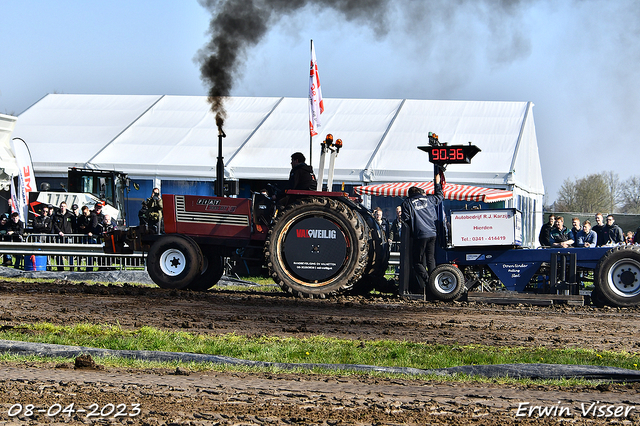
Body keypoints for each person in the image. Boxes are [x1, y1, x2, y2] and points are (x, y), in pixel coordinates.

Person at [401, 172, 444, 291]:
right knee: (431, 259)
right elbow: (440, 196)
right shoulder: (428, 199)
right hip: (432, 233)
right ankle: (435, 283)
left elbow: (406, 220)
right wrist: (437, 183)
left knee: (417, 262)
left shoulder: (407, 203)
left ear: (409, 195)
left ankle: (428, 281)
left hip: (420, 235)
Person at [51, 201, 75, 270]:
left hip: (69, 236)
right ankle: (60, 267)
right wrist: (59, 232)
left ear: (66, 207)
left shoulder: (70, 215)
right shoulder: (56, 215)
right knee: (59, 252)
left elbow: (73, 226)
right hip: (59, 236)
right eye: (61, 206)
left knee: (70, 253)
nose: (63, 208)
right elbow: (55, 225)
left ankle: (71, 267)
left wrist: (71, 233)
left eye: (64, 206)